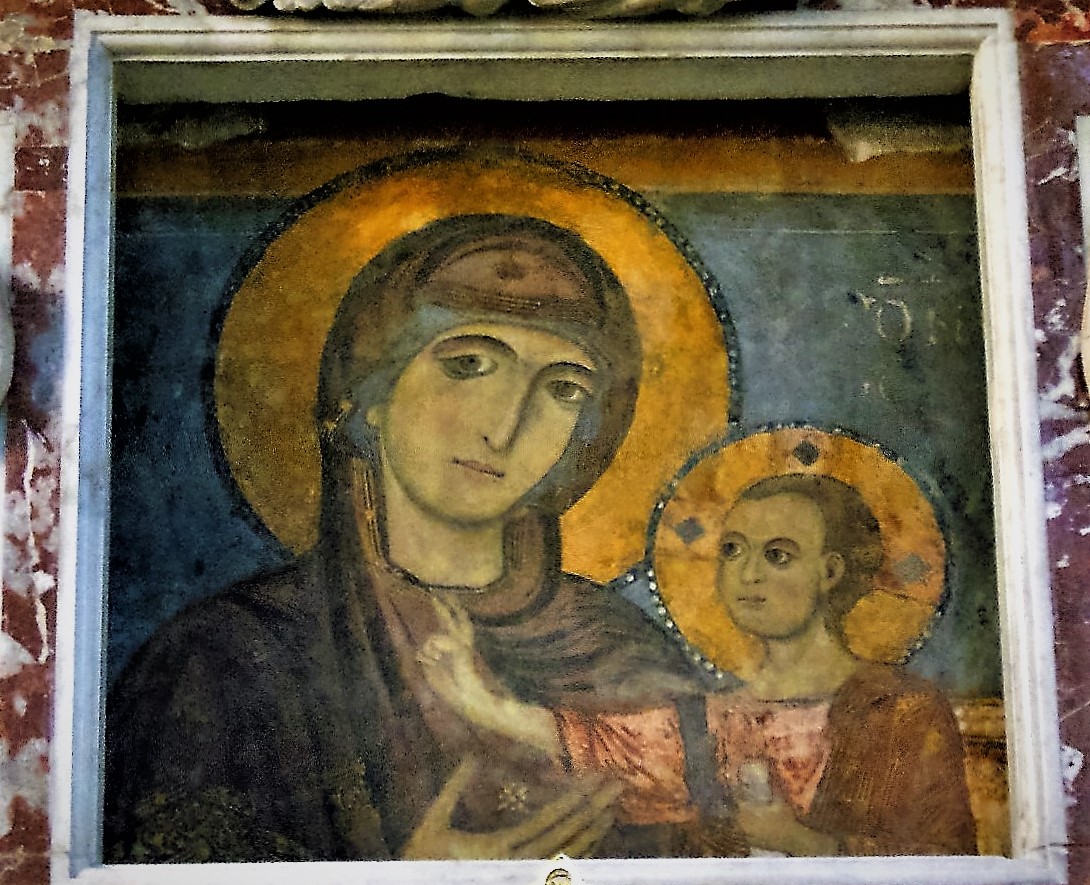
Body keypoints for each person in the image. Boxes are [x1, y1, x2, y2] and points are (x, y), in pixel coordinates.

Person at [103, 213, 697, 863]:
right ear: (370, 394)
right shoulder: (222, 660)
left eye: (563, 389)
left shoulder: (626, 653)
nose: (506, 427)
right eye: (468, 365)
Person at [420, 473, 978, 856]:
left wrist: (804, 843)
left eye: (777, 555)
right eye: (732, 550)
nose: (747, 574)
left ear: (831, 572)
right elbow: (607, 746)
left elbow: (949, 861)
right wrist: (480, 701)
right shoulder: (710, 721)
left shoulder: (900, 712)